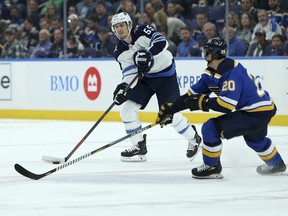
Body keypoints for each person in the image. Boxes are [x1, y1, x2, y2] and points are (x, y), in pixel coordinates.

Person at [156, 37, 286, 179]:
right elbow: (190, 95)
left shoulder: (230, 71)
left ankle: (212, 167)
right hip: (263, 109)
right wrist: (171, 109)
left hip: (255, 113)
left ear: (214, 53)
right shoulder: (211, 72)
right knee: (255, 139)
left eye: (207, 51)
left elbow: (226, 105)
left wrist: (202, 103)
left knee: (210, 128)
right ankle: (277, 164)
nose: (204, 54)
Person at [111, 12, 201, 162]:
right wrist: (123, 89)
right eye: (116, 27)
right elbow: (129, 73)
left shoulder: (142, 31)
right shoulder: (119, 51)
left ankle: (194, 138)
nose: (119, 29)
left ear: (129, 25)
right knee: (127, 109)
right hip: (146, 78)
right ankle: (138, 145)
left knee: (169, 114)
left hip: (165, 75)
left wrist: (149, 54)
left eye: (122, 25)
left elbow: (162, 41)